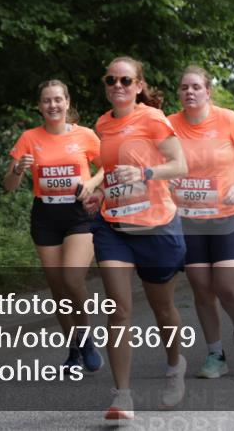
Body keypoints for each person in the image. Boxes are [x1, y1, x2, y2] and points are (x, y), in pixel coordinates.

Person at [82, 56, 189, 424]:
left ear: (139, 86)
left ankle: (174, 365)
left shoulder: (153, 119)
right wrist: (101, 193)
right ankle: (122, 395)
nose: (118, 85)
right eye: (111, 79)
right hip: (114, 226)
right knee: (118, 308)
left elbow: (180, 165)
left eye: (126, 80)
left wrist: (146, 172)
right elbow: (111, 172)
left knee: (163, 309)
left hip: (155, 225)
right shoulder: (102, 124)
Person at [169, 66, 234, 379]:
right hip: (189, 220)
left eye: (196, 87)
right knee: (201, 288)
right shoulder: (169, 126)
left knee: (227, 285)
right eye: (184, 87)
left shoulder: (228, 120)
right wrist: (164, 180)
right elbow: (157, 164)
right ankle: (215, 354)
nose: (190, 92)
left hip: (229, 216)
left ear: (208, 91)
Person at [4, 79, 105, 373]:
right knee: (59, 289)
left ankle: (86, 339)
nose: (53, 105)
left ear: (67, 102)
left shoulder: (85, 136)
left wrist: (92, 183)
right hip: (46, 217)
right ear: (39, 106)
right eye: (47, 101)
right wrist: (17, 170)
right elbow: (8, 186)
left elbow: (107, 167)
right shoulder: (29, 138)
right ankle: (73, 351)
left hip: (79, 215)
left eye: (58, 99)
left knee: (72, 279)